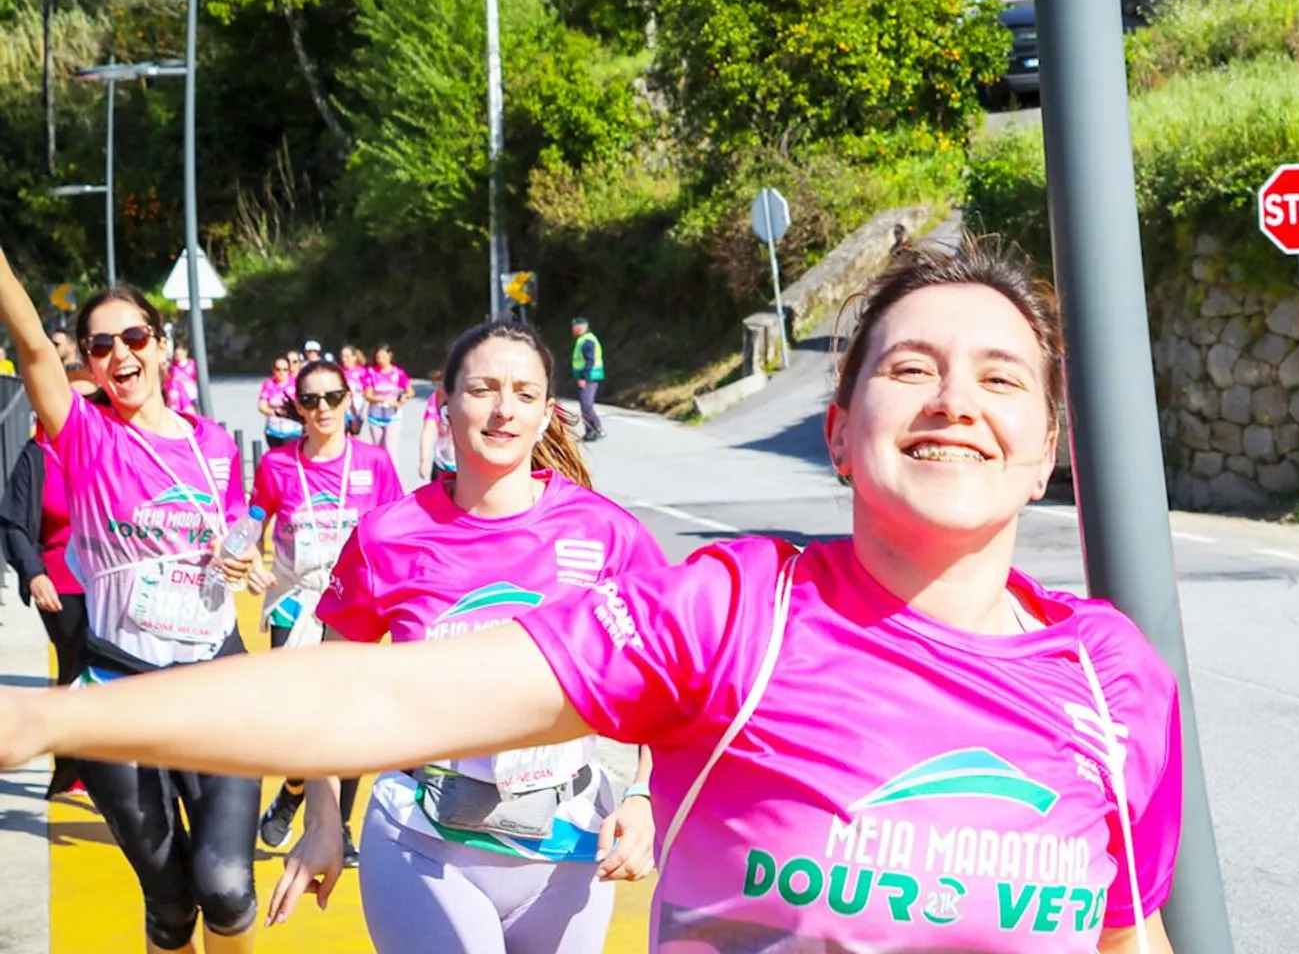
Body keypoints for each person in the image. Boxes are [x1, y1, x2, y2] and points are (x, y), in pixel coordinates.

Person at [0, 239, 1183, 953]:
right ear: (835, 428)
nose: (952, 402)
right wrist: (53, 718)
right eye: (909, 369)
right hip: (434, 840)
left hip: (561, 855)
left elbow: (1127, 931)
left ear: (1046, 449)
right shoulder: (740, 614)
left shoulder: (1112, 678)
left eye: (1000, 378)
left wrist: (625, 809)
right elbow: (385, 697)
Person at [264, 320, 665, 952]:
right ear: (445, 405)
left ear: (544, 413)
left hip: (568, 842)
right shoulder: (388, 535)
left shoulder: (605, 533)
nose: (504, 410)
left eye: (525, 394)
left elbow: (667, 680)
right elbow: (328, 690)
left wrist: (646, 795)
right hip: (424, 838)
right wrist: (321, 819)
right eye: (483, 389)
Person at [0, 249, 262, 953]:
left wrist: (240, 553)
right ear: (86, 362)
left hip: (214, 679)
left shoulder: (212, 445)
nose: (121, 354)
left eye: (135, 338)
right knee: (172, 904)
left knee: (228, 886)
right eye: (101, 345)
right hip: (119, 692)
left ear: (163, 346)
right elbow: (28, 342)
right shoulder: (85, 436)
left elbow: (235, 525)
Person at [249, 358, 405, 869]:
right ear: (296, 406)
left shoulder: (374, 464)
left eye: (333, 398)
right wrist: (244, 557)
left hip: (355, 609)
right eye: (311, 400)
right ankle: (295, 792)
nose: (323, 409)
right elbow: (249, 524)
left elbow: (400, 532)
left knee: (351, 721)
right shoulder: (276, 466)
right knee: (299, 722)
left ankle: (338, 823)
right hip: (294, 604)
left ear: (349, 400)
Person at [0, 423, 87, 797]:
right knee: (78, 666)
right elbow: (14, 524)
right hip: (60, 582)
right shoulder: (37, 454)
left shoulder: (110, 448)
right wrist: (34, 573)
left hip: (115, 581)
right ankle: (72, 772)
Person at [363, 344, 411, 455]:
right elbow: (368, 395)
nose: (380, 360)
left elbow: (409, 391)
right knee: (378, 450)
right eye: (378, 357)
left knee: (390, 450)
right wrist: (381, 399)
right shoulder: (371, 372)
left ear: (390, 355)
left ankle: (392, 472)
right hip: (375, 415)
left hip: (393, 416)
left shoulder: (398, 373)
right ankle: (379, 472)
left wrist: (403, 398)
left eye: (384, 357)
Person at [417, 369, 456, 484]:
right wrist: (424, 460)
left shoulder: (464, 400)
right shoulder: (434, 399)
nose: (441, 389)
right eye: (439, 385)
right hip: (441, 460)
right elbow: (428, 430)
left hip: (464, 464)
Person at [570, 318, 604, 442]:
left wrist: (583, 377)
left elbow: (590, 360)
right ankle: (590, 432)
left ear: (580, 328)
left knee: (586, 405)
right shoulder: (582, 340)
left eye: (574, 327)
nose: (572, 330)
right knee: (584, 406)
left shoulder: (587, 341)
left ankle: (597, 428)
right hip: (586, 377)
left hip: (589, 378)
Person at [260, 356, 302, 448]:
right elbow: (262, 406)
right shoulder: (269, 384)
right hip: (273, 431)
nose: (281, 373)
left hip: (292, 430)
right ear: (273, 370)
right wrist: (276, 412)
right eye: (278, 369)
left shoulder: (296, 383)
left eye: (285, 369)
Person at [340, 345, 368, 438]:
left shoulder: (362, 372)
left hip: (358, 410)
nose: (344, 359)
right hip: (343, 410)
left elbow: (367, 393)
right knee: (342, 438)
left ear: (354, 357)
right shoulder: (339, 372)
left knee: (355, 438)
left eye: (347, 357)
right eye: (342, 356)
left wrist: (365, 410)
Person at [166, 343, 201, 416]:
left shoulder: (192, 364)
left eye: (179, 354)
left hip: (191, 396)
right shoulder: (172, 367)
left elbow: (197, 379)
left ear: (185, 352)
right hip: (178, 400)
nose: (177, 356)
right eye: (176, 354)